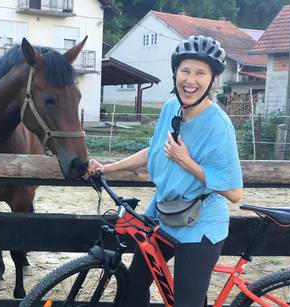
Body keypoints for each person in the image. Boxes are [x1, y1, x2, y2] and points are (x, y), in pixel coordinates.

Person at [87, 35, 243, 307]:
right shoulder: (171, 107)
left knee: (187, 302)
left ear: (212, 80)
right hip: (163, 212)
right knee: (134, 285)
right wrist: (108, 167)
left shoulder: (219, 126)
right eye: (185, 70)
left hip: (200, 224)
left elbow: (234, 192)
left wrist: (186, 161)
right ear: (175, 73)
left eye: (200, 73)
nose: (190, 80)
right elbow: (154, 150)